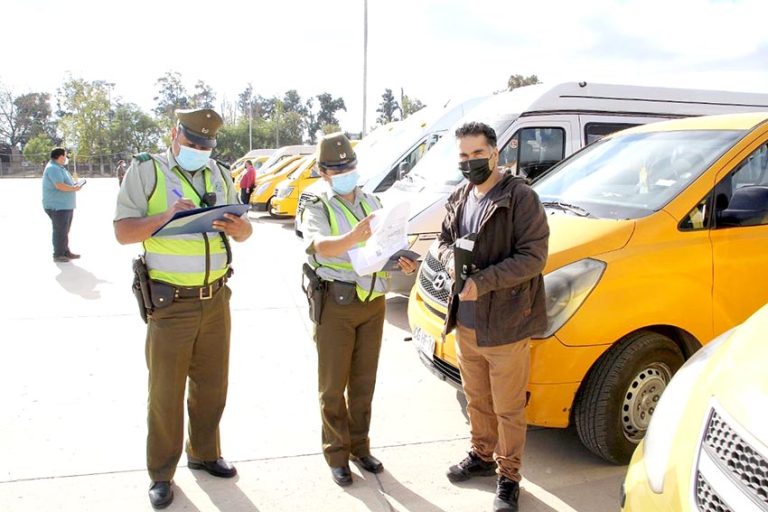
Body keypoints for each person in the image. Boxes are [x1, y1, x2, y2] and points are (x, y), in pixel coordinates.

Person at [113, 108, 253, 509]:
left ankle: (204, 453)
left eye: (206, 146)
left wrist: (242, 229)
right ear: (175, 134)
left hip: (216, 298)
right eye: (192, 144)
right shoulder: (147, 171)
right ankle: (161, 472)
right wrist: (164, 217)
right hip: (171, 303)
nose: (199, 151)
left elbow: (242, 230)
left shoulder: (220, 173)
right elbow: (123, 231)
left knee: (212, 387)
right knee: (165, 393)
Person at [437, 122, 549, 512]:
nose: (469, 163)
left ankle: (509, 475)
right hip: (465, 321)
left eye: (476, 154)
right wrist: (451, 261)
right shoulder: (460, 194)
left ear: (495, 154)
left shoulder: (520, 198)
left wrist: (483, 282)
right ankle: (482, 456)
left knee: (508, 407)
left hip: (505, 322)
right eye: (463, 156)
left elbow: (534, 257)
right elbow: (443, 240)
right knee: (477, 399)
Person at [301, 132, 417, 487]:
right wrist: (352, 238)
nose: (345, 172)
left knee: (364, 382)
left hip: (372, 301)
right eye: (337, 168)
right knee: (333, 385)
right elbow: (318, 246)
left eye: (349, 166)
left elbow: (382, 249)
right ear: (323, 172)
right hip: (336, 302)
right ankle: (336, 453)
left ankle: (359, 446)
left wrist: (400, 260)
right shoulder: (316, 204)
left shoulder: (372, 201)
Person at [42, 147, 83, 262]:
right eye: (65, 155)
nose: (66, 158)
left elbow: (65, 183)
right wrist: (74, 188)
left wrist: (74, 185)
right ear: (60, 157)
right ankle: (58, 254)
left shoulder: (59, 168)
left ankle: (65, 251)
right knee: (60, 230)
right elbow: (59, 185)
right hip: (57, 206)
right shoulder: (53, 168)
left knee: (64, 230)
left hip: (65, 205)